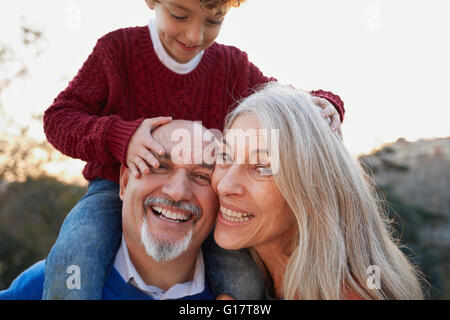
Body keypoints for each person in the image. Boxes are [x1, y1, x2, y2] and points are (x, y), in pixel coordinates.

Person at [42, 0, 345, 299]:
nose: (194, 36)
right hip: (112, 188)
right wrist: (119, 136)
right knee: (74, 254)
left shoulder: (232, 66)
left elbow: (280, 103)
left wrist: (325, 103)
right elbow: (59, 118)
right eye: (179, 15)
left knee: (245, 277)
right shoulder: (116, 50)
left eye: (212, 22)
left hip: (206, 196)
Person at [0, 120, 263, 300]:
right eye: (159, 166)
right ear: (124, 183)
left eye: (202, 177)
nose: (177, 191)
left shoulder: (255, 292)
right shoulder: (45, 287)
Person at [212, 82, 425, 300]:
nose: (224, 185)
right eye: (225, 156)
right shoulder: (243, 277)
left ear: (312, 193)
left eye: (262, 167)